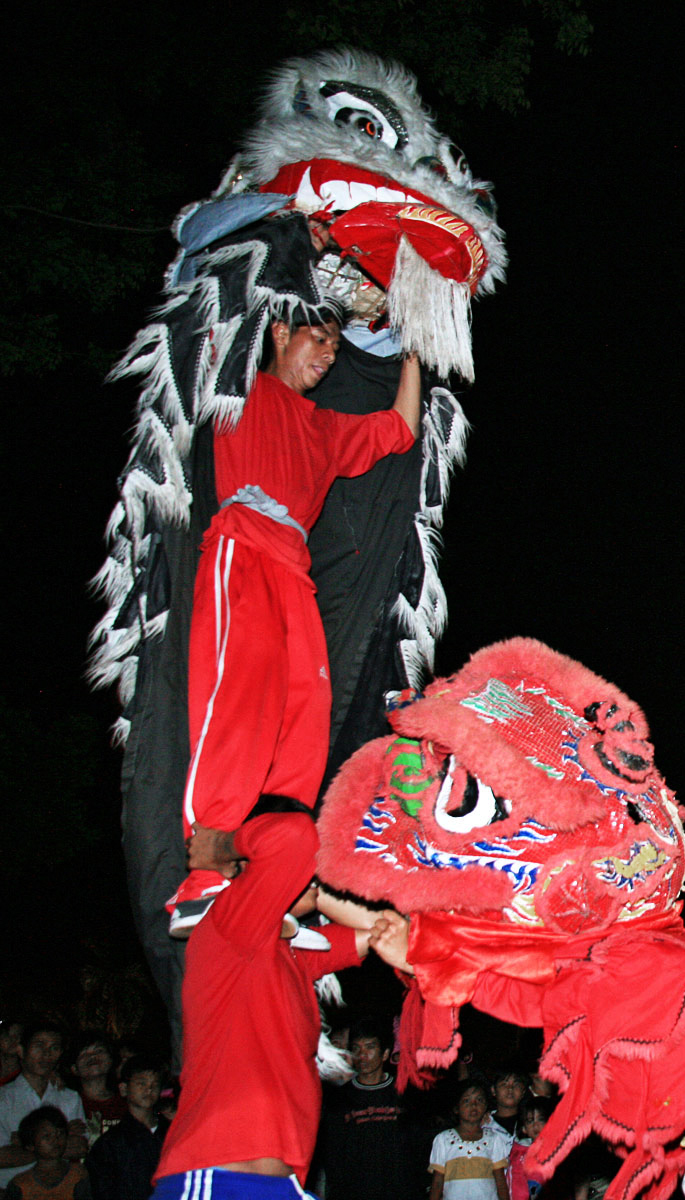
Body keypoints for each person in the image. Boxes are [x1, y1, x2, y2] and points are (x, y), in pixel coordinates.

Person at [168, 313, 422, 935]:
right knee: (238, 707)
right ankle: (202, 874)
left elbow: (401, 430)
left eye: (337, 344)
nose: (331, 354)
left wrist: (417, 351)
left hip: (293, 571)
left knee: (302, 719)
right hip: (242, 552)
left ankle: (271, 881)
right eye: (320, 338)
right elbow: (207, 317)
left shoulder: (324, 427)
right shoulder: (240, 389)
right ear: (281, 332)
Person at [151, 807, 412, 1200]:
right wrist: (219, 848)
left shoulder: (290, 953)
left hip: (280, 1185)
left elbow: (392, 934)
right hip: (219, 1178)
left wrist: (319, 894)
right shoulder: (230, 925)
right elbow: (293, 836)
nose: (315, 872)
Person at [318, 1018, 424, 1200]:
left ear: (385, 1054)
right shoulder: (339, 1099)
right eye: (356, 1048)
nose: (362, 1055)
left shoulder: (406, 1094)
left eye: (369, 1047)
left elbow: (418, 1147)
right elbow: (333, 1156)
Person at [0, 1027, 88, 1188]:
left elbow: (79, 1147)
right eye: (39, 1046)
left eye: (54, 1048)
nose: (47, 1054)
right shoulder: (3, 1099)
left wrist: (24, 1144)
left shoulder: (69, 1097)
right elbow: (2, 1158)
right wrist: (58, 1143)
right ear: (21, 1050)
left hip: (61, 1192)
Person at [86, 1060, 167, 1200]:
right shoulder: (110, 1144)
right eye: (141, 1083)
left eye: (155, 1084)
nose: (149, 1089)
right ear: (124, 1089)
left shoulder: (171, 1133)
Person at [427, 1084, 510, 1200]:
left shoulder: (494, 1139)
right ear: (456, 1108)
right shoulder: (443, 1139)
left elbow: (501, 1182)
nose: (474, 1105)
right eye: (467, 1101)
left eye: (479, 1100)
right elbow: (437, 1183)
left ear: (486, 1106)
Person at [2, 1108, 88, 1200]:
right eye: (47, 1136)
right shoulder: (20, 1184)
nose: (55, 1140)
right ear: (30, 1144)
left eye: (60, 1133)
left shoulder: (77, 1174)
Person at [69, 1040, 126, 1140]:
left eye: (99, 1051)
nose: (92, 1056)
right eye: (84, 1053)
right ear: (74, 1068)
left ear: (111, 1060)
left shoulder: (127, 1102)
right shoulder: (68, 1103)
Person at [506, 1098, 553, 1200]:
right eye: (530, 1121)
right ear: (524, 1128)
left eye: (541, 1119)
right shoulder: (517, 1150)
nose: (535, 1125)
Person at [485, 1071, 529, 1139]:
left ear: (523, 1092)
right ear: (493, 1090)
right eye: (504, 1084)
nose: (510, 1089)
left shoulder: (530, 1122)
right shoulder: (484, 1123)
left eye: (516, 1085)